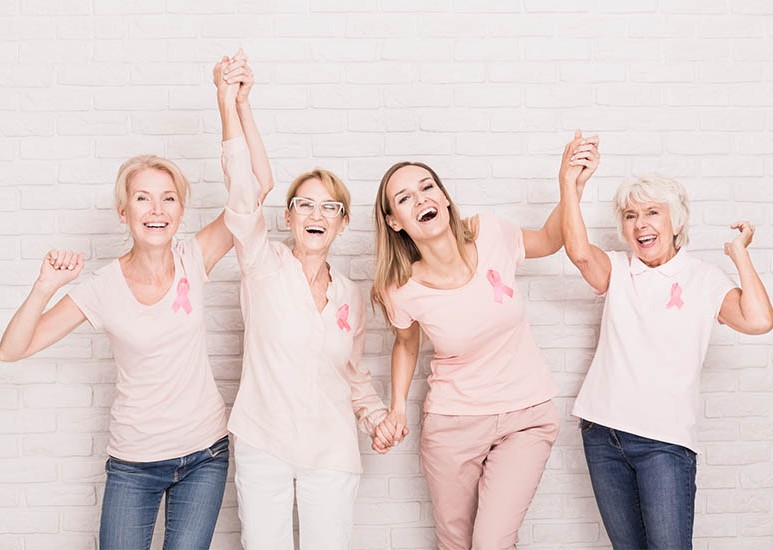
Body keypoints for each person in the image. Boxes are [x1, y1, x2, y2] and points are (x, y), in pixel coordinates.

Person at [0, 125, 234, 547]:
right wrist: (45, 285)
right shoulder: (102, 286)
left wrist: (230, 101)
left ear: (181, 211)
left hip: (206, 455)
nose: (156, 209)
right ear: (123, 213)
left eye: (168, 198)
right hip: (133, 465)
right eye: (142, 197)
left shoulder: (193, 258)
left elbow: (254, 192)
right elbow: (13, 349)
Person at [369, 133, 599, 549]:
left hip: (525, 416)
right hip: (452, 425)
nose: (421, 199)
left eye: (427, 187)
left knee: (492, 542)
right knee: (456, 543)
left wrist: (569, 184)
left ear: (444, 196)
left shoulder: (490, 233)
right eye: (404, 198)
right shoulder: (400, 288)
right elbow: (406, 343)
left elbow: (550, 239)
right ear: (394, 221)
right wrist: (398, 407)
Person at [559, 131, 773, 549]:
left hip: (665, 445)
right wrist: (569, 183)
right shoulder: (619, 270)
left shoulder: (704, 279)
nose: (640, 224)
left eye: (652, 213)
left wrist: (739, 254)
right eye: (630, 215)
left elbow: (759, 320)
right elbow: (580, 253)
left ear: (675, 221)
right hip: (603, 434)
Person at [214, 51, 388, 550]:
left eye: (329, 207)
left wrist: (377, 420)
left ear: (342, 222)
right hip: (262, 439)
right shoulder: (261, 263)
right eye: (304, 205)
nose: (317, 214)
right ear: (288, 218)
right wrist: (235, 105)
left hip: (330, 449)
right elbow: (242, 188)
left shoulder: (351, 296)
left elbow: (354, 378)